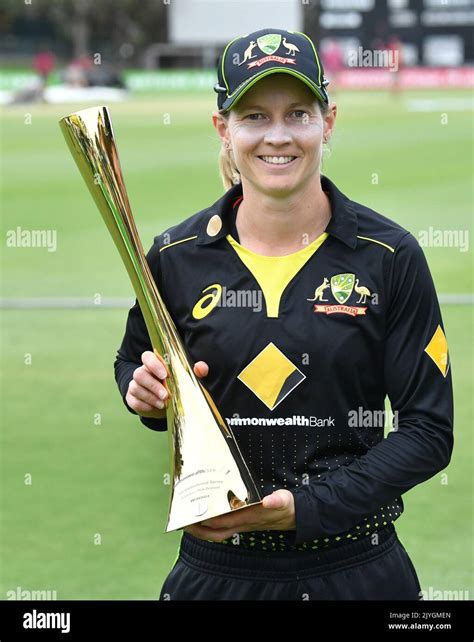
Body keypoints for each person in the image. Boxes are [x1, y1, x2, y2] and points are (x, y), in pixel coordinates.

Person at [114, 28, 453, 600]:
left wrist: (306, 508)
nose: (278, 136)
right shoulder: (174, 258)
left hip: (356, 568)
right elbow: (134, 362)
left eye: (298, 113)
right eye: (253, 116)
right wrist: (142, 391)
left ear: (329, 121)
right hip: (215, 572)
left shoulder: (390, 258)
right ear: (223, 128)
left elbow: (428, 432)